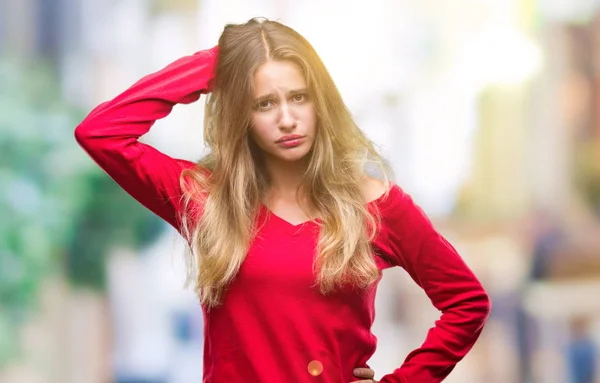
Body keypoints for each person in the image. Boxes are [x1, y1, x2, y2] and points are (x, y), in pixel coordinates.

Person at [75, 17, 491, 383]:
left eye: (298, 97)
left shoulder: (374, 204)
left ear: (320, 102)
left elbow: (467, 303)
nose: (287, 118)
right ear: (242, 114)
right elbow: (101, 133)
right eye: (264, 103)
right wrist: (217, 64)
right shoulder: (206, 198)